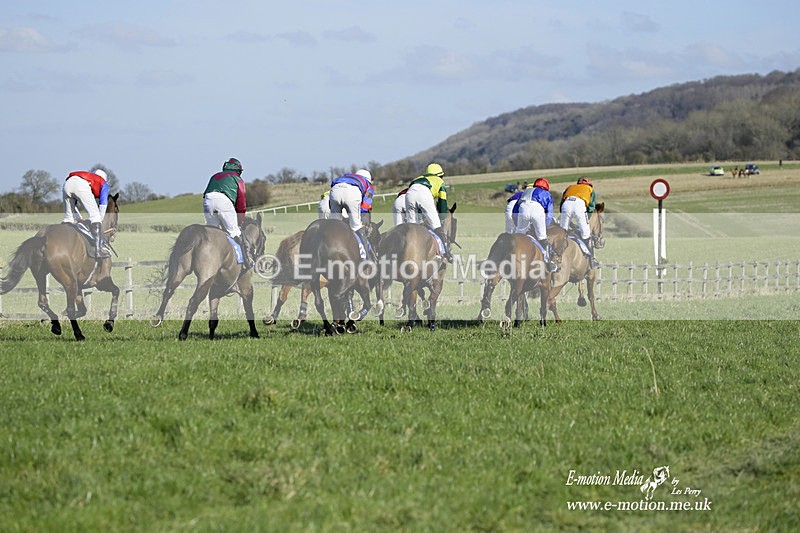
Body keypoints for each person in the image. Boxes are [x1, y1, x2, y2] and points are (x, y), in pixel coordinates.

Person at [202, 157, 253, 269]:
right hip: (223, 202)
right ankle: (246, 260)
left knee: (213, 233)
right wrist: (240, 221)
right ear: (239, 171)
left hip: (208, 200)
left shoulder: (214, 176)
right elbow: (241, 204)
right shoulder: (238, 179)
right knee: (235, 232)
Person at [404, 162, 453, 262]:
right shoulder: (440, 182)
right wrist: (442, 218)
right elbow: (442, 203)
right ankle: (447, 253)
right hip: (425, 194)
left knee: (412, 227)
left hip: (409, 194)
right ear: (439, 175)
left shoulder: (417, 178)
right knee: (436, 225)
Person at [62, 167, 111, 258]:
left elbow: (74, 209)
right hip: (79, 185)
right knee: (95, 217)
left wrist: (79, 218)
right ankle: (98, 250)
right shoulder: (103, 183)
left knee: (68, 219)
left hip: (67, 183)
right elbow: (103, 204)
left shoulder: (88, 177)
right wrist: (99, 220)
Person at [329, 169, 376, 261]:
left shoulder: (346, 176)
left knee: (335, 226)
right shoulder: (368, 184)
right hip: (351, 194)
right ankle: (367, 258)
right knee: (357, 227)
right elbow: (365, 206)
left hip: (334, 191)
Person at [514, 178, 557, 272]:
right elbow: (549, 214)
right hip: (538, 210)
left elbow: (515, 209)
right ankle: (549, 262)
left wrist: (516, 223)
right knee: (542, 239)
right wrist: (544, 226)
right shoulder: (547, 194)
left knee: (518, 237)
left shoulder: (526, 191)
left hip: (523, 208)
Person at [560, 176, 599, 268]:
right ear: (589, 184)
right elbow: (591, 207)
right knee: (586, 234)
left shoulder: (570, 187)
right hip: (579, 205)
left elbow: (562, 203)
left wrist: (564, 217)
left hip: (566, 204)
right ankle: (592, 259)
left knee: (562, 233)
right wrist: (587, 219)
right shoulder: (590, 189)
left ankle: (554, 256)